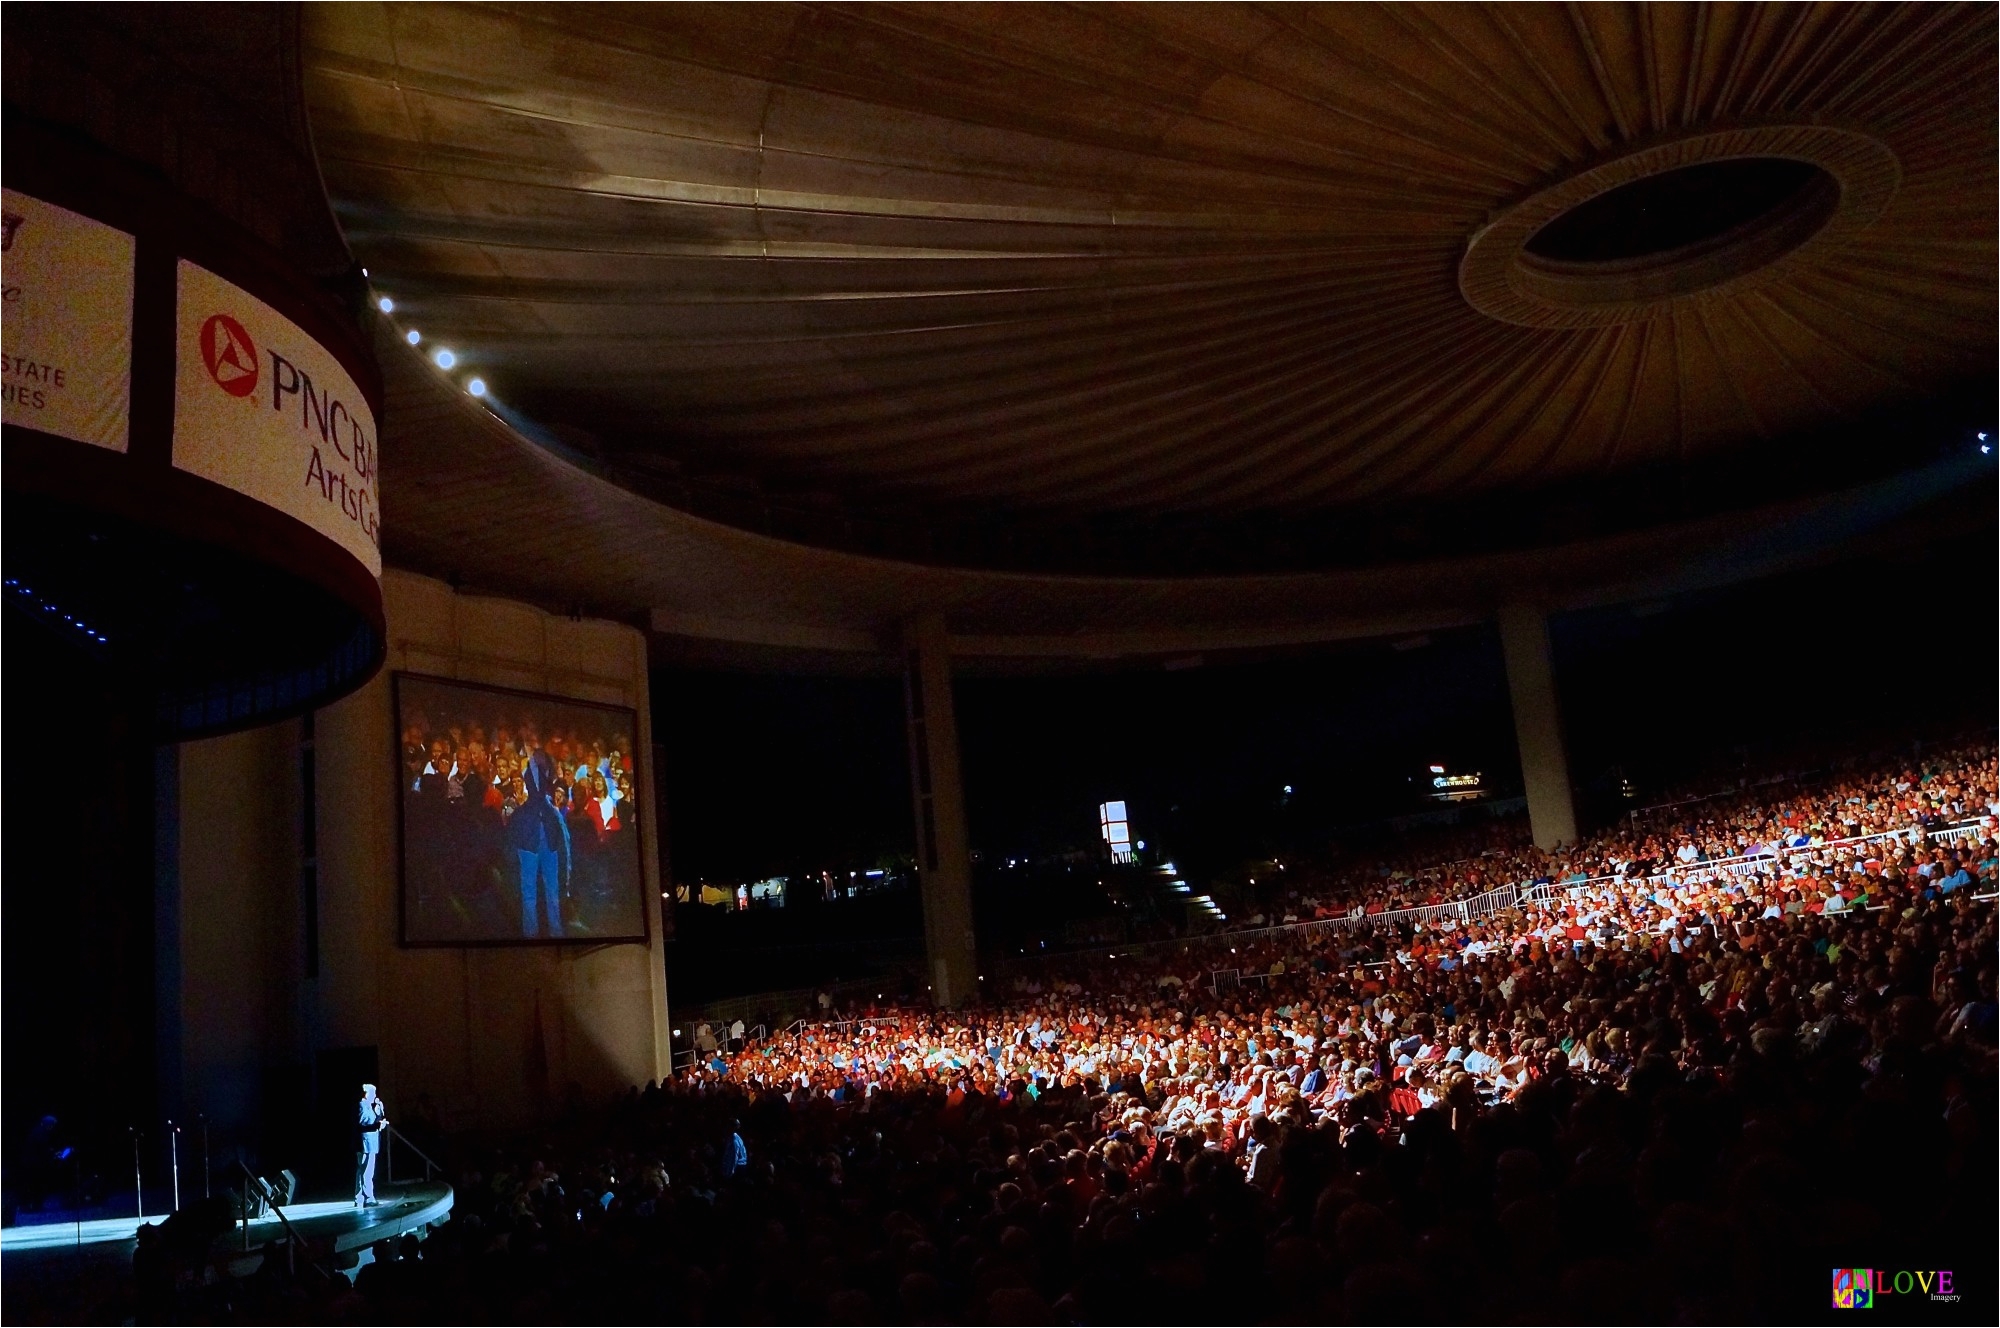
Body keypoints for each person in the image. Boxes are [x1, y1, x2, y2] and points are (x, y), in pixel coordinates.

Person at [505, 749, 571, 938]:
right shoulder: (532, 775)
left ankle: (554, 932)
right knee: (530, 892)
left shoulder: (546, 777)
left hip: (546, 840)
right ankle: (531, 934)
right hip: (530, 840)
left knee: (550, 891)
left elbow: (542, 781)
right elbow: (535, 782)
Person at [355, 1083, 388, 1208]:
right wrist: (377, 1126)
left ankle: (359, 1197)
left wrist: (380, 1112)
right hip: (365, 1144)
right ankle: (368, 1198)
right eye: (373, 1093)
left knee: (363, 1171)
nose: (375, 1096)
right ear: (366, 1094)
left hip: (371, 1143)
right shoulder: (362, 1105)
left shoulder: (371, 1106)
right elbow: (362, 1124)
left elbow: (374, 1120)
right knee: (366, 1172)